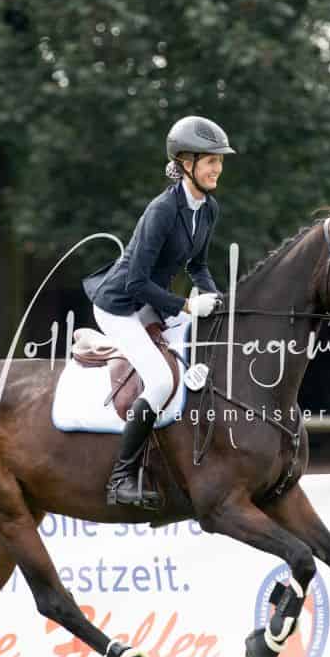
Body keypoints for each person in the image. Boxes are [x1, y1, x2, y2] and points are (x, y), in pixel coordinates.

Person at [81, 116, 232, 507]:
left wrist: (216, 299)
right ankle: (120, 478)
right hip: (119, 305)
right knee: (162, 382)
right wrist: (187, 304)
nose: (217, 168)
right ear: (185, 163)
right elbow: (135, 282)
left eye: (219, 160)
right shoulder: (162, 210)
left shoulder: (209, 208)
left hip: (151, 300)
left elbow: (198, 265)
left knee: (202, 349)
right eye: (210, 160)